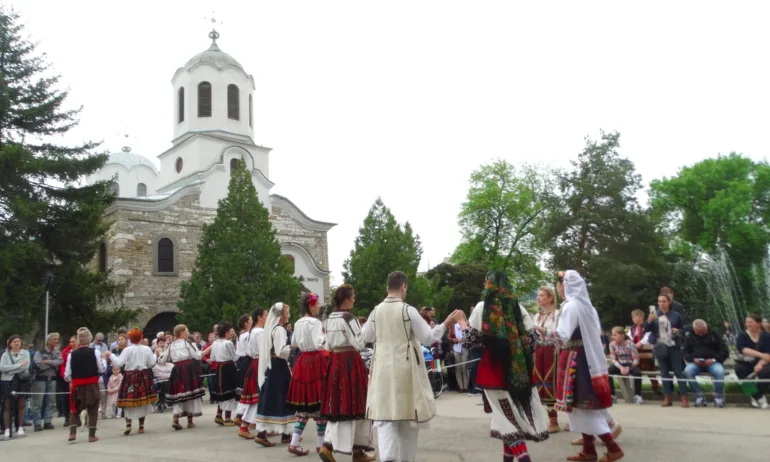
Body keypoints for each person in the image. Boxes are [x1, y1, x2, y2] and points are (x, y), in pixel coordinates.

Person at [360, 271, 462, 462]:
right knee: (407, 417)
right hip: (405, 369)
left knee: (385, 417)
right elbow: (428, 338)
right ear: (403, 286)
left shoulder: (376, 311)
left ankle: (388, 458)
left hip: (382, 369)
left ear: (387, 288)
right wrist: (446, 323)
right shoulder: (408, 311)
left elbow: (366, 337)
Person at [458, 271, 549, 462]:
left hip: (494, 370)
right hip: (520, 370)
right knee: (508, 416)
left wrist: (461, 322)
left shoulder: (483, 307)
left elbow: (470, 340)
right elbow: (533, 339)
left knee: (506, 419)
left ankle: (524, 458)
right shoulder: (518, 307)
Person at [552, 271, 623, 462]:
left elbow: (561, 336)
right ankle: (589, 450)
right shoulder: (587, 306)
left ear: (565, 285)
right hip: (586, 359)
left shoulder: (571, 306)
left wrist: (538, 334)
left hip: (576, 360)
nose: (557, 288)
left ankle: (613, 448)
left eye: (558, 284)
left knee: (582, 405)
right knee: (582, 405)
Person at [319, 284, 376, 462]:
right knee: (356, 402)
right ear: (346, 300)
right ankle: (355, 450)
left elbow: (327, 345)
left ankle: (330, 445)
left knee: (338, 403)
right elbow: (359, 343)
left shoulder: (329, 318)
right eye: (352, 296)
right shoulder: (348, 317)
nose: (354, 299)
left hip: (335, 362)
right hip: (350, 362)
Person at [286, 292, 327, 455]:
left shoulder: (298, 322)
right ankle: (320, 444)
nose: (318, 307)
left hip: (302, 362)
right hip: (315, 362)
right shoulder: (315, 322)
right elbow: (318, 343)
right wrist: (328, 340)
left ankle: (294, 442)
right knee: (320, 402)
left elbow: (294, 343)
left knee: (304, 404)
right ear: (311, 305)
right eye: (317, 304)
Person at [254, 302, 296, 447]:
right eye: (287, 313)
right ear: (282, 315)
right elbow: (280, 351)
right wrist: (293, 347)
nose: (288, 315)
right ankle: (262, 433)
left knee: (274, 396)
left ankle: (285, 433)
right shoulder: (279, 330)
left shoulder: (270, 329)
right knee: (281, 396)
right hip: (278, 367)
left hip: (271, 366)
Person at [105, 328, 157, 435]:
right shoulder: (146, 349)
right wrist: (155, 355)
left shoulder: (127, 350)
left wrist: (110, 355)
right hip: (143, 376)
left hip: (130, 376)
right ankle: (141, 426)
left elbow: (119, 363)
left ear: (130, 339)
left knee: (128, 400)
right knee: (142, 401)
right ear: (141, 338)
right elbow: (151, 363)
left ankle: (128, 425)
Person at [159, 324, 207, 430]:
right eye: (187, 331)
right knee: (191, 393)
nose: (188, 333)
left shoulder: (171, 345)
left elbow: (161, 361)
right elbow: (197, 356)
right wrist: (206, 351)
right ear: (181, 333)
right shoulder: (186, 343)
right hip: (188, 369)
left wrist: (161, 353)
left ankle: (176, 419)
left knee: (179, 393)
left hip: (177, 370)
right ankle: (190, 421)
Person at [64, 327, 106, 443]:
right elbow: (101, 369)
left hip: (77, 385)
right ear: (89, 340)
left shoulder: (72, 354)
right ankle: (91, 435)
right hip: (92, 384)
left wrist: (73, 380)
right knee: (93, 409)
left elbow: (67, 374)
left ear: (78, 341)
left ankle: (72, 433)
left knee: (75, 409)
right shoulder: (95, 352)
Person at [646, 292, 688, 407]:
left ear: (669, 302)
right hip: (660, 347)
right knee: (664, 373)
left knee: (678, 371)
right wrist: (649, 321)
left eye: (664, 301)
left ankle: (684, 397)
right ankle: (667, 398)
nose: (661, 303)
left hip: (673, 346)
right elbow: (647, 329)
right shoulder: (655, 315)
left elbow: (683, 331)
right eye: (659, 301)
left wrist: (678, 331)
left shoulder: (676, 315)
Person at [532, 286, 561, 433]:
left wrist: (543, 330)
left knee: (553, 384)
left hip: (553, 352)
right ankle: (549, 420)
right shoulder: (537, 316)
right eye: (538, 295)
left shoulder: (558, 314)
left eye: (542, 295)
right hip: (539, 352)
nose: (538, 298)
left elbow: (560, 333)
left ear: (550, 298)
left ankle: (556, 422)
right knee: (539, 384)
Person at [683, 319, 729, 408]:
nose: (700, 334)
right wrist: (693, 359)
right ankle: (699, 396)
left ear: (706, 328)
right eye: (697, 332)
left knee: (720, 371)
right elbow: (685, 353)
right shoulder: (690, 336)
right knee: (687, 371)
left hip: (713, 362)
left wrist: (714, 360)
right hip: (696, 363)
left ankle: (718, 397)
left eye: (702, 332)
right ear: (694, 330)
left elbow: (724, 351)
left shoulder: (715, 335)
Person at [239, 307, 267, 439]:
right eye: (265, 315)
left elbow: (250, 352)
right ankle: (245, 426)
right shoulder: (260, 332)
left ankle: (264, 427)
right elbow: (264, 350)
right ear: (259, 317)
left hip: (255, 362)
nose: (267, 318)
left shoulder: (252, 332)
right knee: (258, 398)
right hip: (261, 364)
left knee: (259, 398)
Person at [734, 313, 770, 409]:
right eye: (747, 322)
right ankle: (758, 397)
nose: (748, 324)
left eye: (750, 322)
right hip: (746, 362)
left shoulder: (766, 336)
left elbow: (768, 354)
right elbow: (743, 349)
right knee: (739, 370)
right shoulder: (742, 335)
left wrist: (760, 364)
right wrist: (761, 355)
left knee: (767, 372)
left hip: (764, 362)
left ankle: (756, 395)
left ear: (758, 324)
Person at [1, 335, 31, 439]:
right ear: (10, 344)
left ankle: (20, 428)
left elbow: (26, 366)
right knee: (7, 406)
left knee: (21, 404)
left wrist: (11, 369)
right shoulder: (5, 354)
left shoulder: (25, 353)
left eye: (18, 341)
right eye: (14, 342)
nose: (17, 343)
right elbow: (2, 368)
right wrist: (19, 365)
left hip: (21, 381)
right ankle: (7, 429)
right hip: (7, 381)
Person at [210, 321, 239, 426]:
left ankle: (219, 415)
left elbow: (212, 358)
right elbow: (234, 357)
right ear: (226, 332)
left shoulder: (215, 343)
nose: (231, 333)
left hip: (219, 368)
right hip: (228, 368)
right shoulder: (228, 343)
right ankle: (227, 418)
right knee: (230, 393)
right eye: (230, 331)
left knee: (222, 392)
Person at [31, 332, 62, 432]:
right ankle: (37, 423)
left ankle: (48, 421)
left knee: (51, 401)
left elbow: (60, 362)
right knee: (38, 402)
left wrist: (48, 362)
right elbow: (38, 364)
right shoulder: (40, 352)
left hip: (52, 379)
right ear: (48, 341)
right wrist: (53, 364)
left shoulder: (57, 352)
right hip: (40, 379)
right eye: (54, 339)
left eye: (57, 339)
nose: (56, 341)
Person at [607, 327, 643, 404]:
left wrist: (630, 368)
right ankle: (612, 395)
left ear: (622, 335)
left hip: (631, 363)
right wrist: (620, 367)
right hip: (619, 364)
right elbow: (613, 359)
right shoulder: (612, 345)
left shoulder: (630, 344)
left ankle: (638, 395)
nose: (613, 337)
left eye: (615, 335)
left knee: (637, 373)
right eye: (612, 335)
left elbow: (636, 359)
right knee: (608, 372)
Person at [234, 313, 253, 425]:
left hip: (241, 362)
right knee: (249, 389)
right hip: (247, 361)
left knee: (245, 389)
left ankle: (242, 416)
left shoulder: (239, 335)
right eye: (250, 320)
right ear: (246, 323)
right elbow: (250, 350)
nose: (252, 321)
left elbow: (237, 352)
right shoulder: (247, 335)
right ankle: (242, 416)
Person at [58, 335, 77, 427]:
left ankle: (77, 417)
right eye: (70, 342)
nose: (71, 343)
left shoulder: (80, 351)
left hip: (78, 377)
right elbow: (62, 365)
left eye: (73, 341)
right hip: (67, 378)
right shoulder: (65, 352)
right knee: (67, 399)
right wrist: (65, 376)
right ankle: (67, 417)